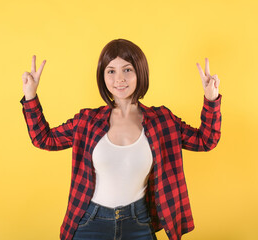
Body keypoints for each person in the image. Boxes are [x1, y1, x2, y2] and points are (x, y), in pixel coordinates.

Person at [20, 38, 222, 240]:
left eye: (127, 70)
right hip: (90, 222)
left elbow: (206, 140)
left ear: (139, 72)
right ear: (102, 76)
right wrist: (30, 96)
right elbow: (44, 139)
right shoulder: (87, 121)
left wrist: (211, 98)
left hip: (139, 222)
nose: (119, 79)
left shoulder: (162, 121)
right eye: (111, 71)